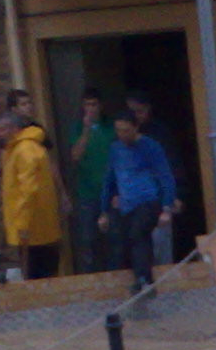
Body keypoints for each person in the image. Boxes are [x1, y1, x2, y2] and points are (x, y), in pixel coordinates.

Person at [103, 112, 179, 293]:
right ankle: (144, 278)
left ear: (135, 128)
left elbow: (165, 176)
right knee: (130, 240)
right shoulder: (115, 149)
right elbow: (109, 180)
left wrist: (166, 207)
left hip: (148, 201)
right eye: (119, 131)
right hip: (127, 204)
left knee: (138, 234)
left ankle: (144, 278)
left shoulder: (150, 147)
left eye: (126, 131)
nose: (122, 135)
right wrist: (104, 210)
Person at [0, 110, 63, 282]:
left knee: (36, 275)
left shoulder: (24, 150)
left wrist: (22, 222)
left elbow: (28, 189)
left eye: (3, 129)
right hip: (38, 225)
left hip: (32, 227)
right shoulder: (24, 148)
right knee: (44, 272)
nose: (0, 134)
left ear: (14, 129)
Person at [124, 91, 180, 267]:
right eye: (132, 112)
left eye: (139, 111)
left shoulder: (160, 134)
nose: (137, 116)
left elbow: (171, 168)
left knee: (161, 248)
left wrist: (175, 196)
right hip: (134, 202)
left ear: (148, 110)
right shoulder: (122, 139)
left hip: (158, 199)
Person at [68, 90, 114, 273]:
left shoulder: (110, 127)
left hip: (111, 193)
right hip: (88, 193)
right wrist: (86, 130)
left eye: (94, 104)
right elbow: (75, 156)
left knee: (113, 239)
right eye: (87, 105)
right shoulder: (78, 128)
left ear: (100, 106)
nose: (91, 109)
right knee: (88, 240)